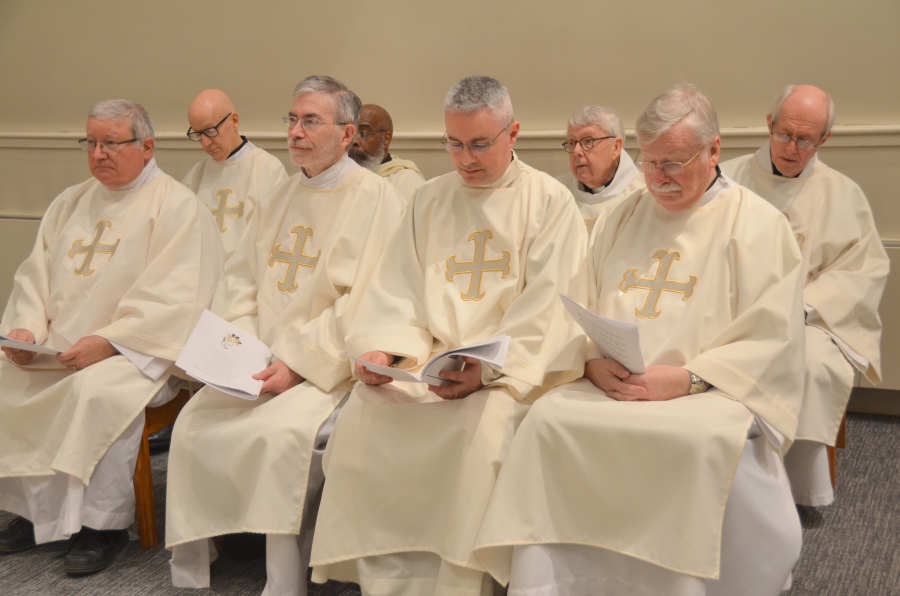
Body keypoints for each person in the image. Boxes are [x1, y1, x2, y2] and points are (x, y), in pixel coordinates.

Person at [474, 85, 806, 596]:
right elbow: (574, 303)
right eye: (648, 162)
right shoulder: (622, 215)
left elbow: (773, 339)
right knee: (545, 422)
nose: (656, 179)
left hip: (707, 393)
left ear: (714, 151)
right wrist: (587, 358)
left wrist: (690, 378)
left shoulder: (759, 226)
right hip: (613, 383)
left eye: (673, 163)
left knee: (692, 444)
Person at [310, 75, 588, 596]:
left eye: (480, 143)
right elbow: (396, 290)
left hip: (505, 373)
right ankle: (379, 577)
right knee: (364, 416)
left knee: (483, 431)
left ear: (513, 134)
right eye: (454, 144)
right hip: (427, 362)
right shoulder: (428, 200)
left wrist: (487, 368)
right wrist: (384, 348)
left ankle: (460, 582)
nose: (465, 158)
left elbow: (548, 308)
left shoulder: (549, 203)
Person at [165, 76, 404, 596]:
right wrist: (241, 353)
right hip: (259, 360)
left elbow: (366, 299)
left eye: (309, 121)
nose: (294, 132)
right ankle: (207, 554)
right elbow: (242, 281)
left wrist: (295, 363)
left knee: (279, 439)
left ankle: (285, 579)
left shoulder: (376, 199)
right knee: (191, 425)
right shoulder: (277, 195)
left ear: (346, 134)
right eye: (291, 120)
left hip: (323, 369)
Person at [0, 99, 222, 574]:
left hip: (138, 353)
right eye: (91, 143)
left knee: (95, 393)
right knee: (5, 381)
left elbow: (177, 301)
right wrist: (25, 329)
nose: (98, 153)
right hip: (57, 345)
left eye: (111, 143)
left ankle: (100, 525)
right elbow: (34, 277)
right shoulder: (71, 202)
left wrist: (109, 342)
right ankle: (31, 511)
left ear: (146, 146)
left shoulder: (178, 207)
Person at [721, 84, 889, 506]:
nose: (791, 147)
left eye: (805, 139)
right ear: (769, 124)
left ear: (824, 139)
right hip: (730, 310)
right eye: (783, 134)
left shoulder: (842, 193)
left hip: (805, 316)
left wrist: (802, 305)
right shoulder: (726, 181)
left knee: (813, 363)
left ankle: (795, 490)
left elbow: (861, 270)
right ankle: (722, 473)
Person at [182, 89, 288, 261]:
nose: (205, 142)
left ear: (234, 121)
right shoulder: (195, 176)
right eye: (198, 134)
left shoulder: (268, 170)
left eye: (210, 131)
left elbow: (269, 243)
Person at [556, 106, 644, 234]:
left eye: (588, 141)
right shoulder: (557, 192)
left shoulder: (644, 192)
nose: (576, 151)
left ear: (615, 147)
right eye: (572, 142)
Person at [348, 103, 426, 202]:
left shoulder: (407, 181)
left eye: (363, 133)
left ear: (385, 139)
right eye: (351, 133)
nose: (354, 141)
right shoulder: (339, 176)